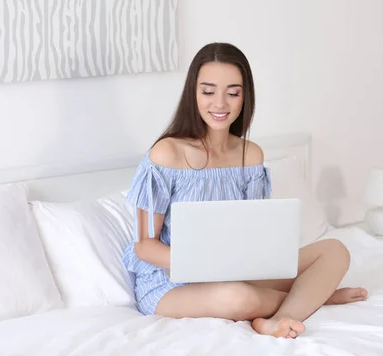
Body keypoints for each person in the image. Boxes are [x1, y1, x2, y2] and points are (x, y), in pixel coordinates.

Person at [122, 42, 368, 339]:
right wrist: (203, 265)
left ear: (244, 97)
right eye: (208, 91)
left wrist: (253, 260)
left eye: (233, 92)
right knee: (240, 297)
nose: (220, 104)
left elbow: (254, 234)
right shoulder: (166, 154)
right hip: (171, 284)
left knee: (335, 251)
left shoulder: (250, 155)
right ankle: (317, 298)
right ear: (193, 93)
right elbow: (145, 245)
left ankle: (280, 316)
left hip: (236, 271)